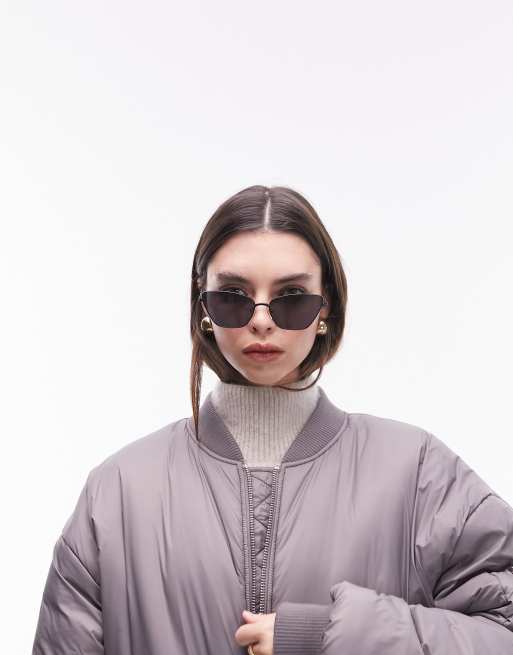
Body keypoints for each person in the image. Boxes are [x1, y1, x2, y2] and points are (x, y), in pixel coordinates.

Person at [32, 185, 513, 654]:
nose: (261, 320)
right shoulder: (118, 491)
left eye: (292, 296)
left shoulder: (417, 473)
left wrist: (326, 636)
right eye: (233, 295)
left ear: (326, 307)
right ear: (203, 306)